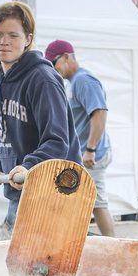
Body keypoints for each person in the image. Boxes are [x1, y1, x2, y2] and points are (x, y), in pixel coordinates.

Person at [0, 2, 81, 231]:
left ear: (28, 39)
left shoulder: (42, 79)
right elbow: (9, 135)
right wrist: (0, 164)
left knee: (41, 266)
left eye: (13, 35)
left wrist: (28, 166)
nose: (4, 41)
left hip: (52, 193)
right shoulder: (0, 80)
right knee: (15, 263)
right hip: (20, 190)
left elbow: (57, 140)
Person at [44, 40, 115, 237]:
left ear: (66, 57)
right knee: (82, 201)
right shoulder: (73, 82)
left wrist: (90, 149)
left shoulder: (84, 80)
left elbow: (99, 113)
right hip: (83, 153)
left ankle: (113, 248)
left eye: (54, 63)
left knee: (98, 204)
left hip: (92, 155)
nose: (53, 68)